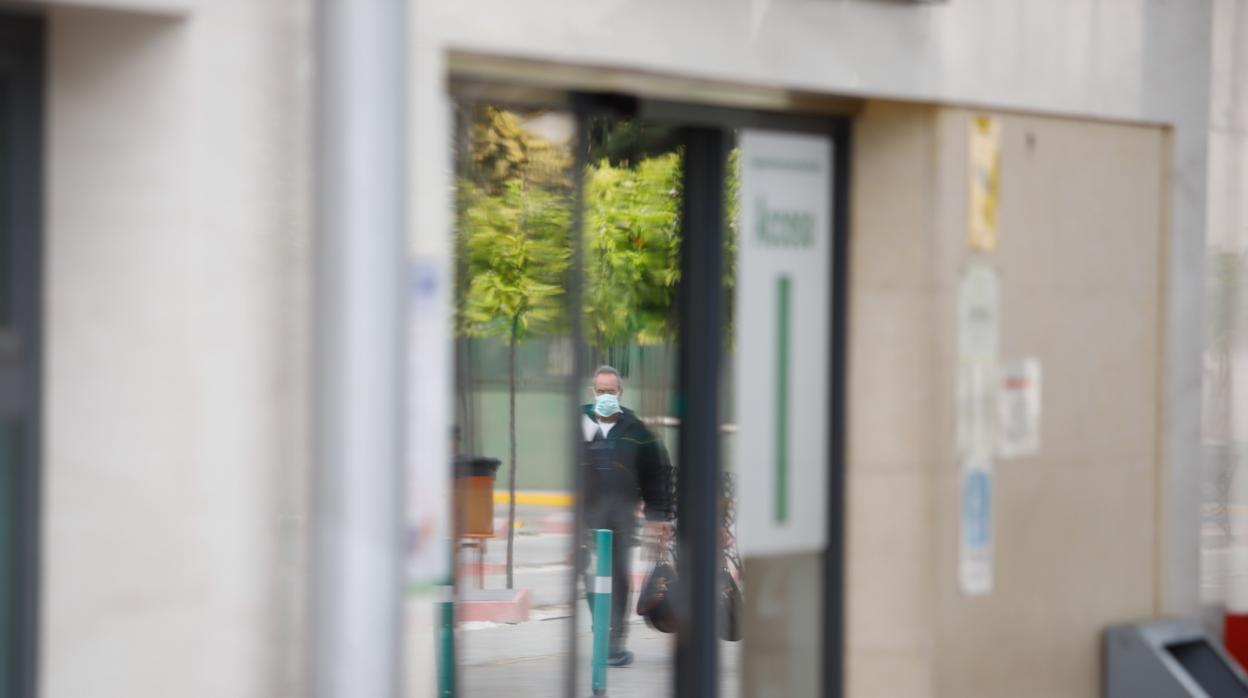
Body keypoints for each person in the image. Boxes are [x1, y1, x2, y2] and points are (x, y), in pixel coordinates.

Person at [580, 365, 674, 667]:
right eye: (601, 391)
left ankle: (614, 641)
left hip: (621, 515)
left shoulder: (637, 430)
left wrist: (658, 516)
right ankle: (602, 628)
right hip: (587, 515)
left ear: (620, 393)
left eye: (611, 391)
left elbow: (657, 475)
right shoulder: (579, 423)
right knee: (590, 574)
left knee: (618, 577)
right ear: (592, 392)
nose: (606, 396)